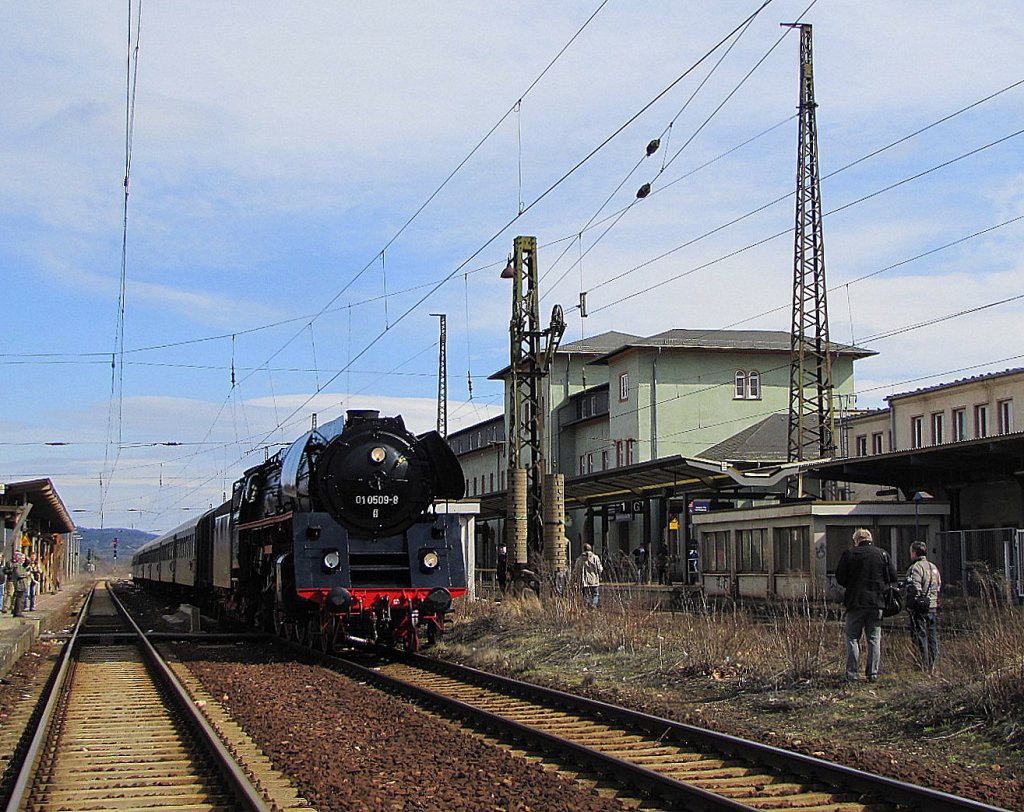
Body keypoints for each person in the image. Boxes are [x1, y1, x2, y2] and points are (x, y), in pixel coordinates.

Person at [835, 528, 897, 683]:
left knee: (852, 638)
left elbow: (840, 578)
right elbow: (893, 576)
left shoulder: (849, 554)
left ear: (857, 540)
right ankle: (872, 673)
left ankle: (852, 673)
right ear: (870, 539)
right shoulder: (882, 554)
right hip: (877, 602)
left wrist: (852, 583)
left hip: (855, 602)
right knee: (874, 639)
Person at [906, 541, 941, 671]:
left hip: (920, 607)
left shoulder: (916, 568)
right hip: (932, 605)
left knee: (920, 635)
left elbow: (914, 588)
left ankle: (922, 663)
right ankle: (933, 663)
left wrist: (910, 605)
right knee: (932, 634)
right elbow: (938, 585)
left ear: (914, 553)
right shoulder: (933, 567)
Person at [571, 543, 604, 609]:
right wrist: (599, 575)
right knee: (595, 594)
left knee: (585, 595)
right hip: (594, 580)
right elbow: (600, 568)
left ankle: (588, 606)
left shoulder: (579, 559)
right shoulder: (595, 558)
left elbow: (575, 571)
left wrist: (574, 579)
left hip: (584, 581)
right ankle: (594, 605)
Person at [9, 552, 33, 618]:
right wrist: (26, 574)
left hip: (23, 584)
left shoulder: (21, 566)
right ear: (19, 559)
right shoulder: (16, 566)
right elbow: (19, 574)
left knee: (21, 599)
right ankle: (18, 612)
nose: (23, 560)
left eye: (24, 559)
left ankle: (18, 611)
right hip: (20, 585)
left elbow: (28, 561)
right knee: (19, 599)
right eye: (22, 558)